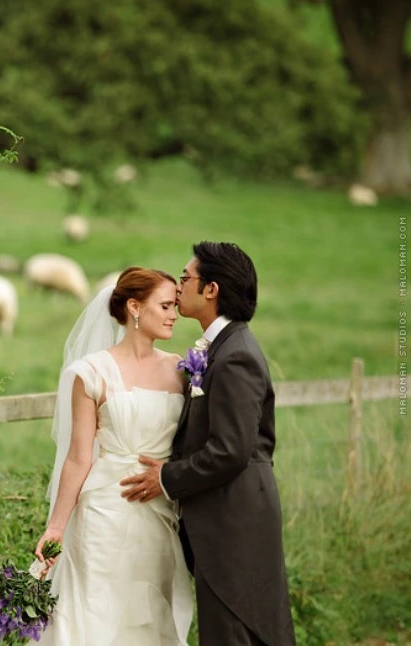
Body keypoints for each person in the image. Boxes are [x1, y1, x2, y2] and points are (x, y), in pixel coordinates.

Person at [119, 242, 296, 646]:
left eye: (185, 278)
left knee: (236, 634)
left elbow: (231, 450)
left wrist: (166, 477)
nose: (178, 287)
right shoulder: (221, 348)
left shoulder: (235, 356)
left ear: (211, 289)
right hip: (226, 520)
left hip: (235, 524)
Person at [32, 266, 192, 645]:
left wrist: (172, 473)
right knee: (96, 613)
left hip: (158, 514)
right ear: (135, 307)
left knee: (149, 617)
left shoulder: (180, 370)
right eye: (166, 305)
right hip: (103, 514)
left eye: (175, 306)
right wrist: (55, 528)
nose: (174, 314)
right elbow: (77, 458)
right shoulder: (91, 373)